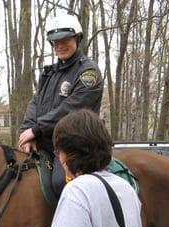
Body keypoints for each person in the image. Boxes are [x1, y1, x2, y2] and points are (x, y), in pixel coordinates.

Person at [18, 12, 104, 193]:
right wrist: (27, 132)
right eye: (55, 42)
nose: (60, 45)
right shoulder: (50, 73)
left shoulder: (88, 73)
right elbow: (36, 103)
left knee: (60, 183)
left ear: (77, 39)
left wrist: (36, 130)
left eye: (65, 40)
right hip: (46, 145)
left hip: (74, 146)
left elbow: (72, 109)